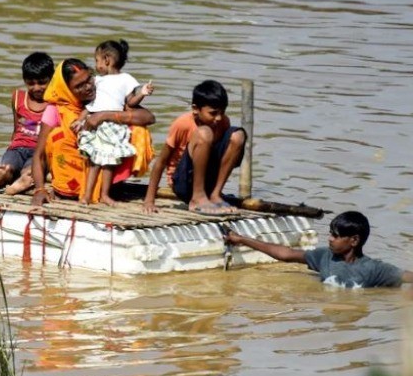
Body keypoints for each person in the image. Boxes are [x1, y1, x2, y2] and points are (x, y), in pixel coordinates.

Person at [31, 58, 155, 207]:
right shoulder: (56, 110)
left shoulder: (107, 97)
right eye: (79, 86)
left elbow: (148, 117)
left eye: (89, 79)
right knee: (57, 137)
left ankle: (105, 191)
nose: (88, 87)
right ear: (67, 90)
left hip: (108, 177)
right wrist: (39, 189)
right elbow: (38, 154)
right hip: (68, 188)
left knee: (139, 130)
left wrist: (103, 115)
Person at [224, 211, 413, 288]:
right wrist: (242, 239)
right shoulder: (325, 257)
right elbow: (286, 254)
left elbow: (406, 277)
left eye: (336, 236)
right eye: (330, 233)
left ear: (354, 240)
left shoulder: (374, 269)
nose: (329, 239)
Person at [143, 80, 246, 215]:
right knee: (204, 133)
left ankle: (215, 194)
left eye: (222, 112)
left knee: (238, 135)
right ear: (196, 109)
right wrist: (149, 201)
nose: (219, 118)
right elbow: (161, 162)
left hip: (208, 180)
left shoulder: (223, 121)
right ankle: (198, 197)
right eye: (213, 113)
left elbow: (224, 152)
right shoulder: (183, 124)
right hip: (183, 183)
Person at [75, 39, 154, 206]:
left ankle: (104, 194)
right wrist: (80, 120)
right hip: (94, 124)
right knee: (94, 161)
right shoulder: (97, 80)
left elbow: (131, 102)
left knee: (109, 161)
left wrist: (143, 93)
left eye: (97, 60)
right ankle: (87, 196)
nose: (96, 64)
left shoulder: (126, 79)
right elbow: (90, 106)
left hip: (113, 126)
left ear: (107, 59)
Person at [0, 52, 55, 195]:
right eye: (31, 83)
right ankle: (0, 177)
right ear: (24, 81)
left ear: (52, 79)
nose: (36, 88)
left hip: (39, 152)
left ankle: (20, 180)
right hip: (17, 148)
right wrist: (11, 146)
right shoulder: (18, 98)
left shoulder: (56, 103)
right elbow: (16, 128)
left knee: (30, 170)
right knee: (8, 166)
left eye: (42, 82)